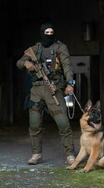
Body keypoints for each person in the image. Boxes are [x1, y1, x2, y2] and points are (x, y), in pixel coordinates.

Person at [16, 22, 75, 165]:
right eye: (46, 33)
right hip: (36, 91)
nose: (49, 35)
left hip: (53, 89)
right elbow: (19, 62)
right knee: (34, 124)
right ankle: (36, 154)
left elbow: (67, 66)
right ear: (42, 33)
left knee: (63, 123)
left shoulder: (60, 47)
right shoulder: (35, 49)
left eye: (51, 33)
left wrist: (70, 83)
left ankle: (70, 154)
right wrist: (26, 64)